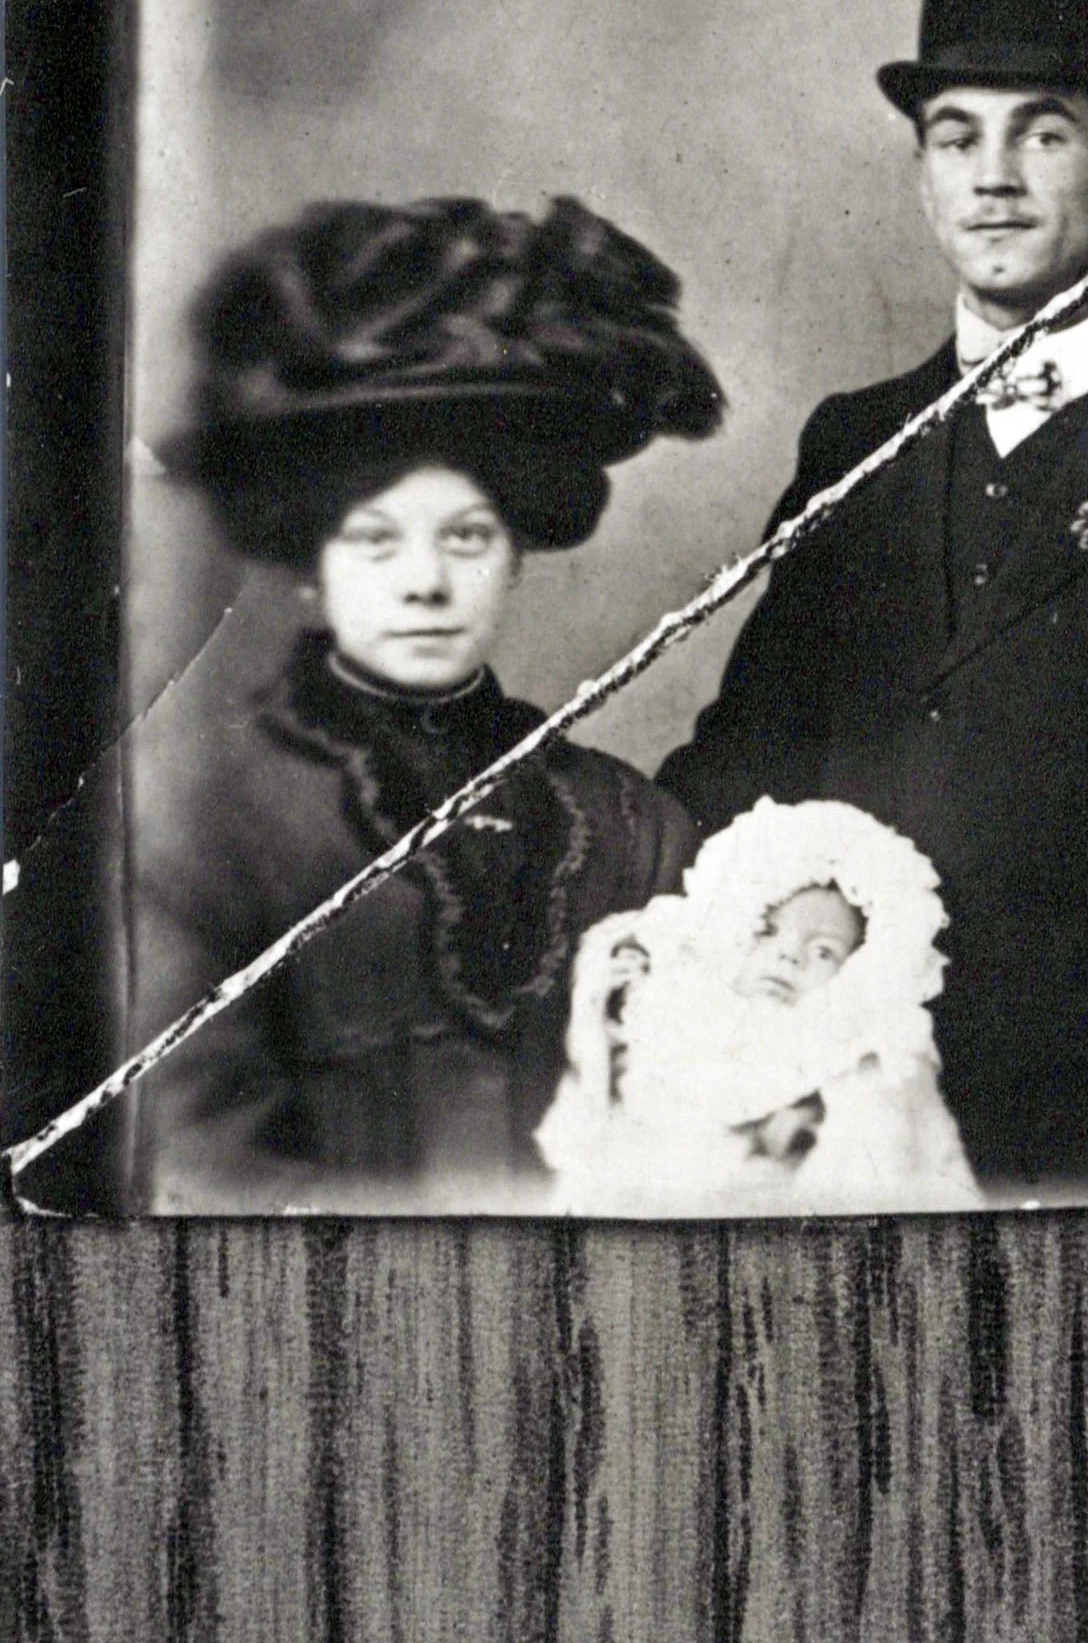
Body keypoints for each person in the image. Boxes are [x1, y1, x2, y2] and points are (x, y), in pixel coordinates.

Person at [660, 0, 1088, 1201]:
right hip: (836, 1125)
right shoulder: (853, 442)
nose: (995, 177)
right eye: (955, 136)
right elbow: (753, 747)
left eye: (1044, 135)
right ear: (920, 174)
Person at [130, 195, 724, 1214]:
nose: (425, 583)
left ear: (519, 556)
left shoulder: (634, 827)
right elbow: (191, 1161)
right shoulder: (201, 827)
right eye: (376, 538)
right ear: (310, 561)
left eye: (466, 537)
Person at [536, 797, 983, 1215]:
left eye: (823, 951)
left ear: (855, 971)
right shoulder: (682, 1011)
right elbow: (591, 1128)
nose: (789, 956)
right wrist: (597, 1028)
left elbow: (883, 1160)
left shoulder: (848, 1042)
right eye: (767, 932)